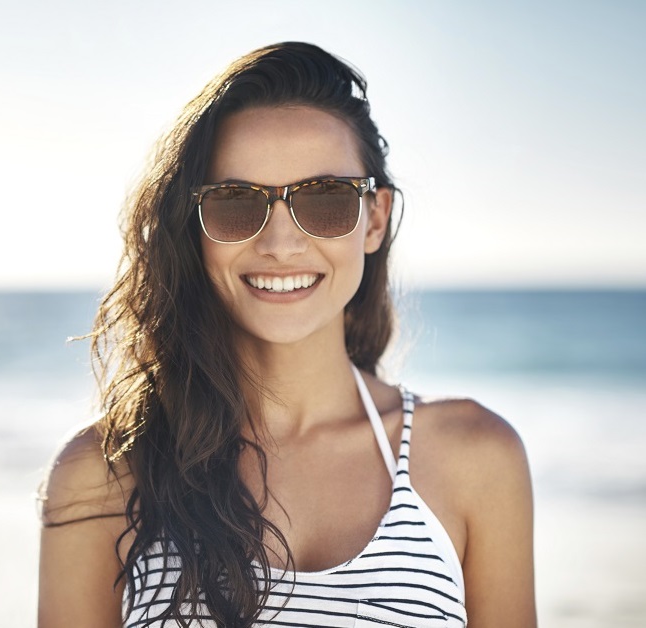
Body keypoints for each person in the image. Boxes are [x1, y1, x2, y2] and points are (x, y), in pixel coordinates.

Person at [38, 42, 536, 628]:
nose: (279, 243)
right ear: (192, 230)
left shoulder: (476, 459)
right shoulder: (105, 473)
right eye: (234, 202)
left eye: (323, 198)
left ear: (373, 219)